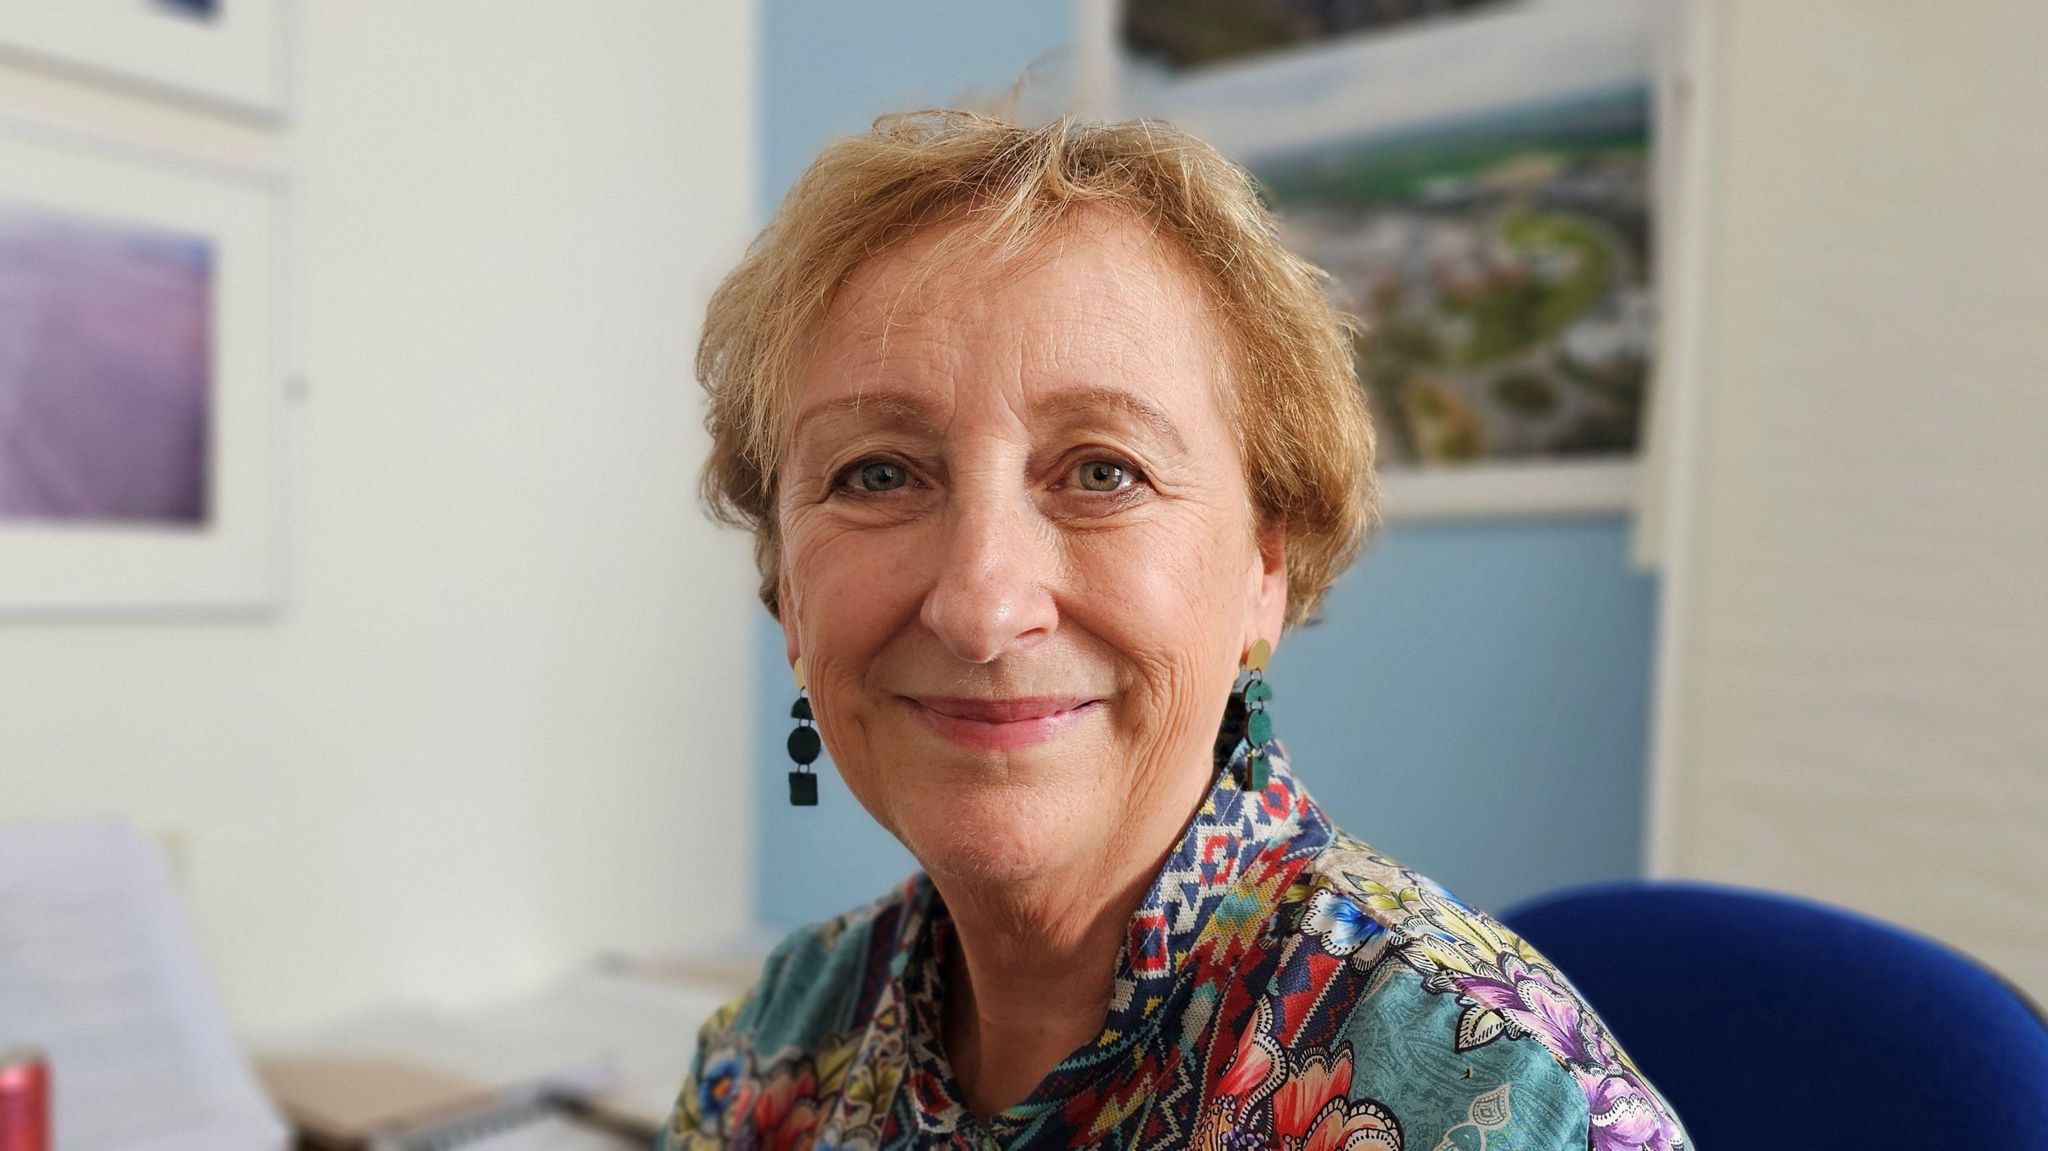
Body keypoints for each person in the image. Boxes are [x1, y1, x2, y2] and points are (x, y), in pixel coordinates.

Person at [663, 110, 1688, 1151]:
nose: (979, 604)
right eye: (875, 473)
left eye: (1103, 471)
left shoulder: (1497, 1105)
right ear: (787, 589)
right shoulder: (771, 1050)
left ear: (1263, 567)